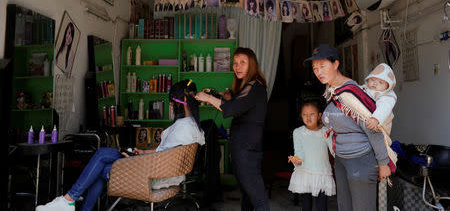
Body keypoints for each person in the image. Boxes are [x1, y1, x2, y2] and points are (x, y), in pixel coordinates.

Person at [36, 79, 205, 211]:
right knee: (102, 158)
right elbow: (167, 155)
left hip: (151, 175)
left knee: (102, 160)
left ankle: (68, 200)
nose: (170, 105)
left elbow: (164, 158)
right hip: (157, 169)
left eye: (171, 102)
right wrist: (144, 153)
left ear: (182, 100)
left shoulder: (182, 127)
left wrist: (133, 160)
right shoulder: (192, 126)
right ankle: (69, 201)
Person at [304, 44, 392, 211]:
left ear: (336, 64)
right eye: (315, 68)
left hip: (360, 159)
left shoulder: (351, 93)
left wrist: (383, 163)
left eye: (322, 66)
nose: (318, 72)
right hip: (341, 159)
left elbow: (372, 128)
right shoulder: (331, 91)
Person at [195, 47, 270, 211]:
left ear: (252, 65)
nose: (238, 67)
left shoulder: (255, 87)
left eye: (243, 62)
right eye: (235, 63)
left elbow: (234, 109)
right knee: (248, 196)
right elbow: (237, 104)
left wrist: (208, 98)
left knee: (258, 200)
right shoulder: (247, 87)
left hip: (247, 151)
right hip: (242, 149)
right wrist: (226, 97)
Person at [288, 100, 335, 211]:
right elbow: (298, 152)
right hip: (305, 173)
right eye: (305, 114)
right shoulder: (298, 132)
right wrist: (296, 160)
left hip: (322, 173)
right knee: (306, 205)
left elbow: (334, 151)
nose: (308, 118)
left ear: (319, 116)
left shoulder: (326, 131)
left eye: (312, 114)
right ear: (301, 116)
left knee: (322, 206)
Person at [362, 63, 397, 133]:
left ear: (388, 86)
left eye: (380, 82)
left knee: (379, 139)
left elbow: (384, 107)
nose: (375, 83)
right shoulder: (365, 88)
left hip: (380, 125)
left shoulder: (387, 96)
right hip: (367, 122)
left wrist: (376, 119)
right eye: (372, 79)